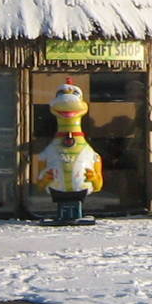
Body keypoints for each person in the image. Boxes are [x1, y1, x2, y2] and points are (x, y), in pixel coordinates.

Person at [34, 81, 103, 224]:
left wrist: (95, 179)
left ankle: (72, 214)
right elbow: (40, 180)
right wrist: (44, 179)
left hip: (81, 188)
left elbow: (98, 183)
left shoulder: (87, 151)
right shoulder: (50, 151)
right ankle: (65, 214)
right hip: (56, 188)